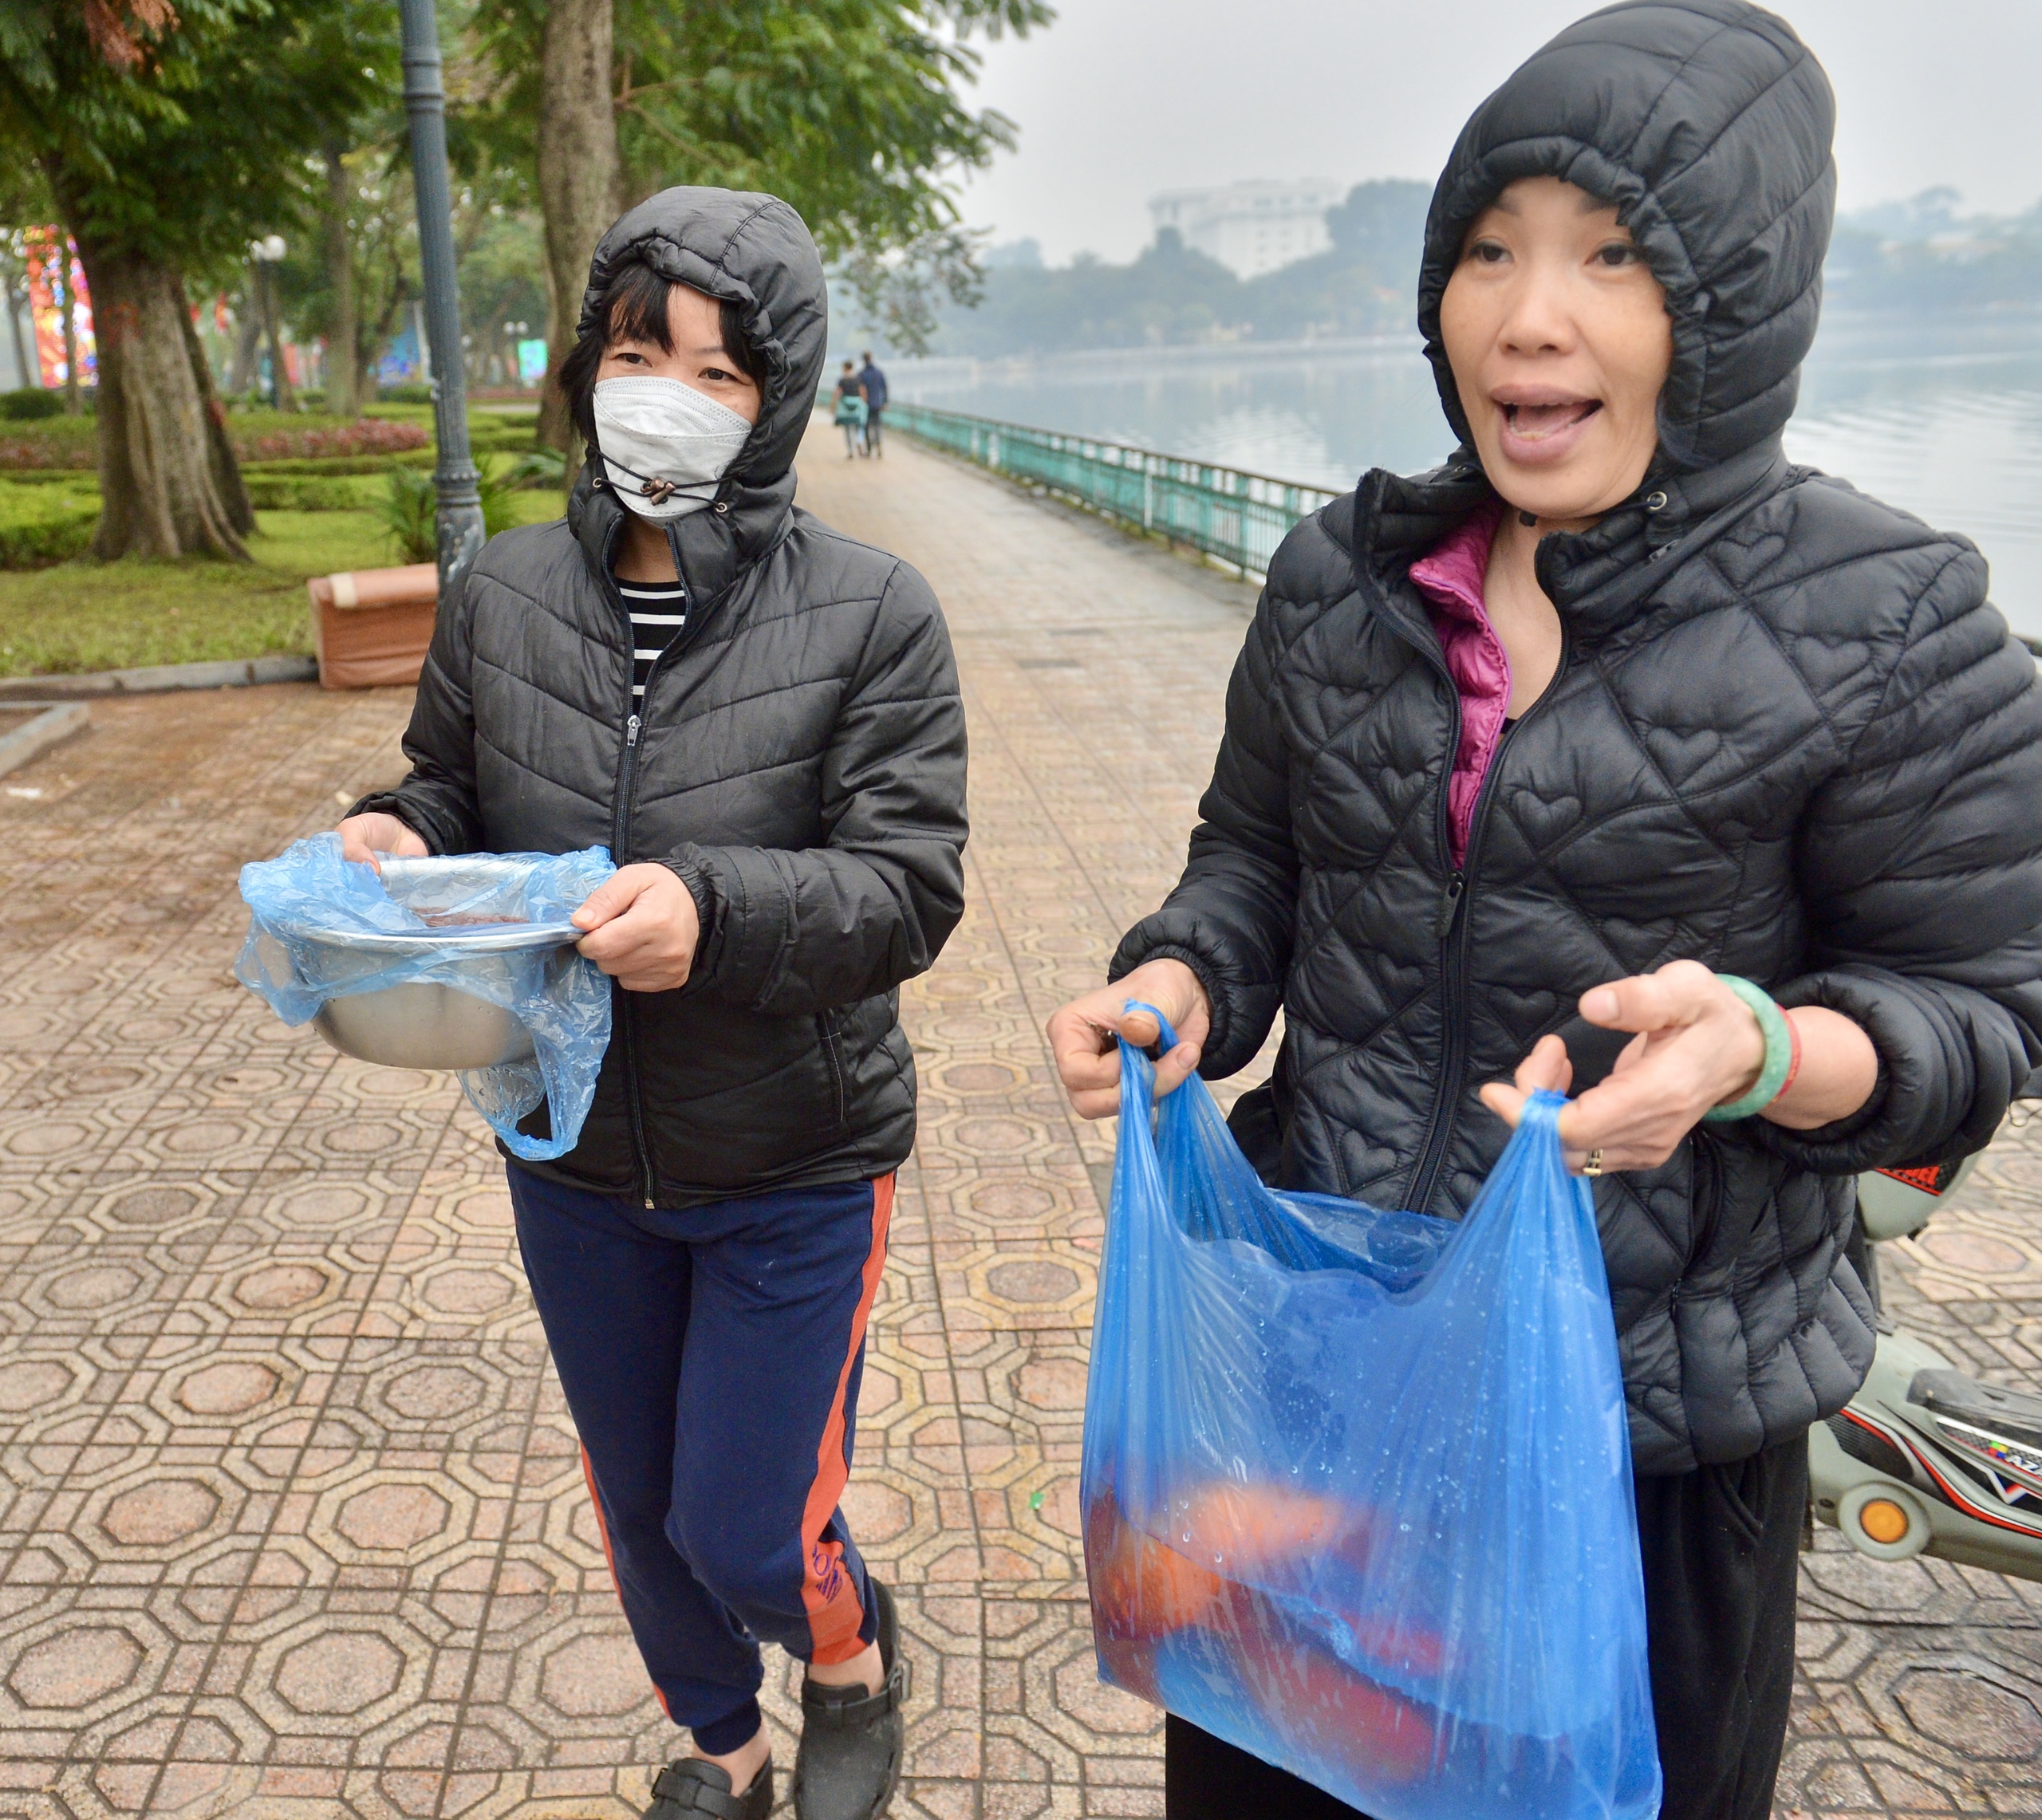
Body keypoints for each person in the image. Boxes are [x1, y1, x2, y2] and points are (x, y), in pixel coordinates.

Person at [1045, 4, 2042, 1818]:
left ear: (1731, 307)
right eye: (1486, 249)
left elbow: (1981, 1015)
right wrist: (1180, 980)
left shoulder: (1892, 627)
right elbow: (1250, 863)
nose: (1528, 314)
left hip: (1641, 1429)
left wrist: (1753, 1052)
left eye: (1610, 259)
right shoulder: (1336, 578)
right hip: (1323, 1374)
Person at [336, 187, 968, 1820]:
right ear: (588, 359)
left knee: (748, 1521)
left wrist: (718, 908)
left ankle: (848, 1657)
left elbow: (908, 888)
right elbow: (445, 788)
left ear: (776, 406)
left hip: (794, 1162)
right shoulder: (503, 594)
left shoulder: (873, 612)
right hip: (573, 1153)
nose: (663, 394)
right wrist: (397, 833)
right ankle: (729, 1748)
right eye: (637, 348)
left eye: (717, 370)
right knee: (637, 1504)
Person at [833, 357, 869, 456]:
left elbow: (837, 393)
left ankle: (850, 450)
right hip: (857, 406)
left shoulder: (842, 380)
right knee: (859, 427)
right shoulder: (857, 379)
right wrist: (864, 404)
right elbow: (863, 392)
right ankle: (859, 442)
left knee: (848, 430)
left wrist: (833, 406)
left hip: (845, 407)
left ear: (844, 368)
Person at [857, 351, 888, 456]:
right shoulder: (879, 373)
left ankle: (869, 449)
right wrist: (885, 402)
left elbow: (859, 390)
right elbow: (884, 388)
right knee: (877, 426)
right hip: (877, 403)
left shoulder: (861, 374)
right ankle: (879, 446)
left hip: (865, 405)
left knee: (867, 427)